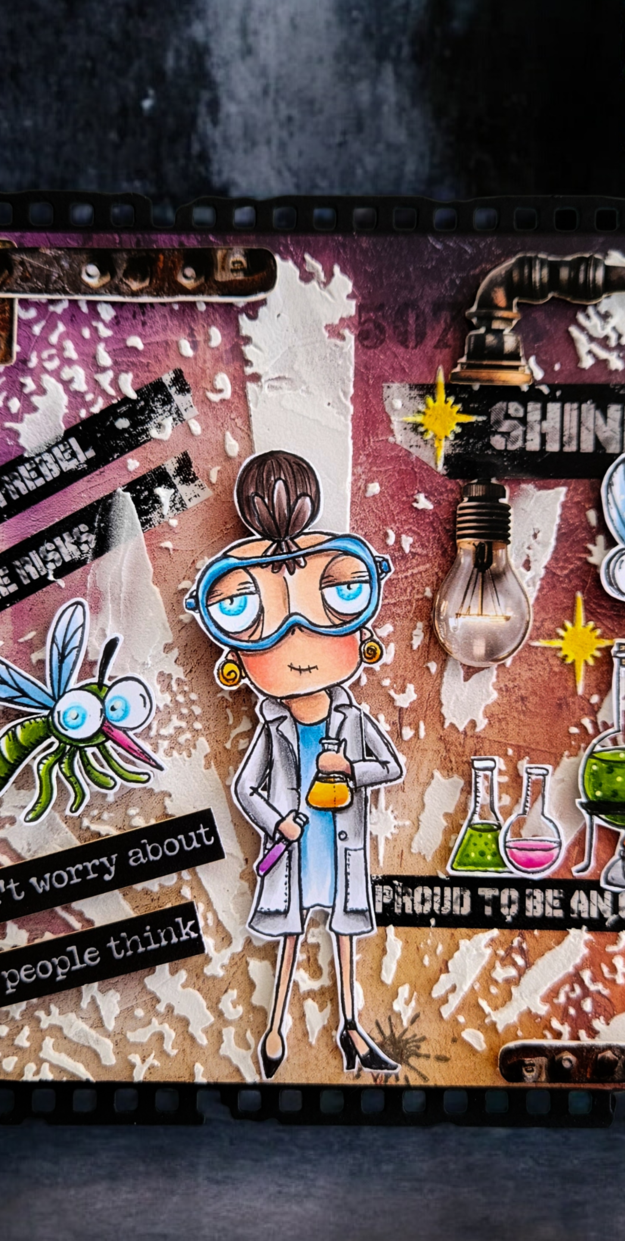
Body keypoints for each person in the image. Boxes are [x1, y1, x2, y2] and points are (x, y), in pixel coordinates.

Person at [186, 450, 404, 1079]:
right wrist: (277, 820)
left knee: (345, 933)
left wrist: (350, 770)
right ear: (236, 655)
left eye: (338, 593)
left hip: (341, 845)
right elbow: (247, 788)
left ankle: (352, 1028)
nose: (297, 640)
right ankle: (276, 1026)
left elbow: (389, 768)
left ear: (359, 630)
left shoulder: (353, 721)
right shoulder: (273, 727)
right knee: (288, 934)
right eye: (246, 610)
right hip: (297, 846)